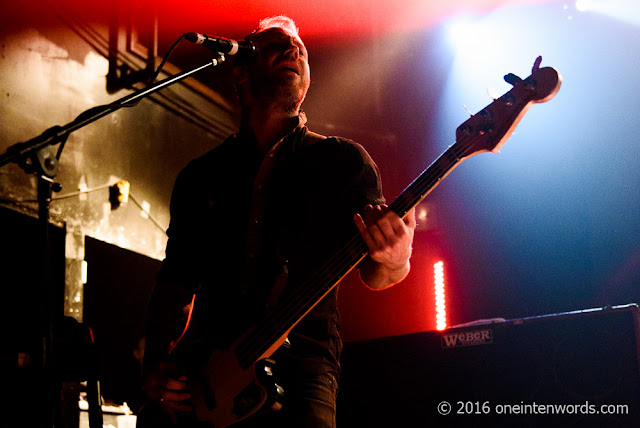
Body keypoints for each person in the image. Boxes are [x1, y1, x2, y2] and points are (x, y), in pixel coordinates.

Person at [140, 15, 416, 428]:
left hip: (302, 373)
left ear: (306, 82)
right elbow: (176, 282)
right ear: (240, 70)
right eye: (277, 45)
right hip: (203, 373)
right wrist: (156, 365)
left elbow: (377, 275)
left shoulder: (343, 162)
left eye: (300, 50)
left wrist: (396, 258)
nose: (294, 50)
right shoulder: (201, 176)